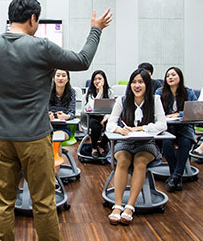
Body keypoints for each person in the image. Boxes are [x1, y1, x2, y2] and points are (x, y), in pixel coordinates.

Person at [0, 0, 112, 241]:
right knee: (43, 203)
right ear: (32, 19)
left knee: (1, 203)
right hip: (35, 139)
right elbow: (83, 60)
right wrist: (96, 30)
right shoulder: (42, 47)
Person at [105, 68, 166, 225]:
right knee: (123, 160)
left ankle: (130, 206)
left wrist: (141, 128)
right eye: (134, 82)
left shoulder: (155, 100)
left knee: (139, 162)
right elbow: (110, 124)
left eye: (141, 82)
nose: (137, 85)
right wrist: (119, 129)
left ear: (147, 84)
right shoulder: (122, 100)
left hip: (147, 143)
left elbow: (162, 125)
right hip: (125, 141)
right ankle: (118, 205)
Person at [155, 67, 197, 192]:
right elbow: (156, 110)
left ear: (180, 77)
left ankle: (175, 177)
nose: (170, 78)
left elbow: (195, 110)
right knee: (167, 143)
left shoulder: (188, 92)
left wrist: (178, 114)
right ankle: (176, 176)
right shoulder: (159, 92)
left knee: (185, 142)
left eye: (173, 75)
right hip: (167, 126)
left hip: (184, 126)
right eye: (168, 76)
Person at [83, 70, 114, 158]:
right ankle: (94, 148)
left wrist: (106, 118)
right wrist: (100, 92)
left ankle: (101, 145)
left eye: (99, 79)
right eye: (95, 79)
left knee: (112, 126)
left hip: (106, 116)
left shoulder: (110, 91)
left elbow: (112, 108)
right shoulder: (90, 92)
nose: (97, 81)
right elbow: (93, 107)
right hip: (93, 116)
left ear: (104, 80)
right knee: (95, 126)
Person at [48, 69, 76, 140]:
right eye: (58, 75)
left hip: (63, 127)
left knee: (57, 137)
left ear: (68, 79)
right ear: (53, 78)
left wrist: (66, 116)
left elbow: (72, 113)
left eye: (63, 76)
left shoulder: (72, 92)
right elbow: (42, 110)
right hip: (47, 127)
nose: (60, 78)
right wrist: (47, 115)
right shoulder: (47, 92)